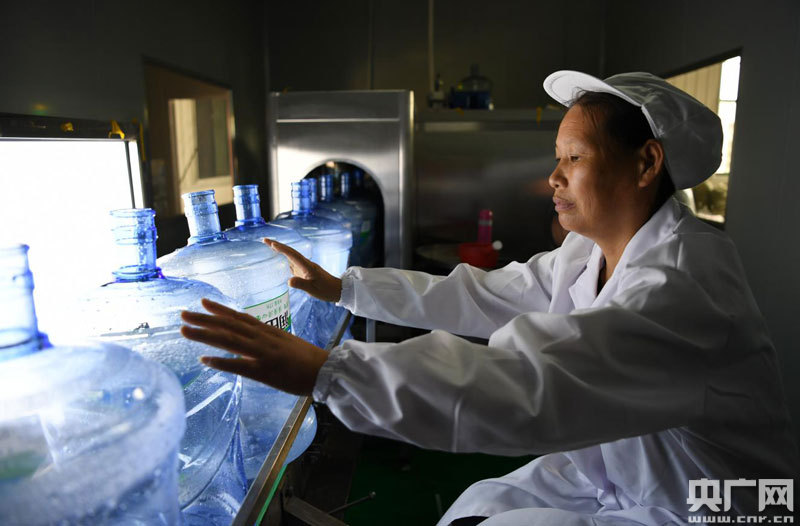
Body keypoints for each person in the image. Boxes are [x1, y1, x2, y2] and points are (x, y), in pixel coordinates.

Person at [181, 71, 798, 525]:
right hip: (624, 475)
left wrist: (332, 372)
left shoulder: (682, 284)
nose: (554, 177)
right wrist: (346, 288)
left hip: (715, 505)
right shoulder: (585, 254)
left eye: (574, 158)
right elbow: (481, 294)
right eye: (556, 158)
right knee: (477, 511)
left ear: (646, 164)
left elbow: (532, 382)